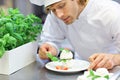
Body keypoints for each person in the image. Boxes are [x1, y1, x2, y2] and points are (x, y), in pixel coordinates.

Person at [30, 0, 120, 70]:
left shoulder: (112, 12)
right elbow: (51, 40)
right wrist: (50, 48)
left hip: (114, 71)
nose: (59, 14)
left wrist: (114, 59)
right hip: (79, 69)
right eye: (52, 10)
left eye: (62, 6)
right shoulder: (56, 14)